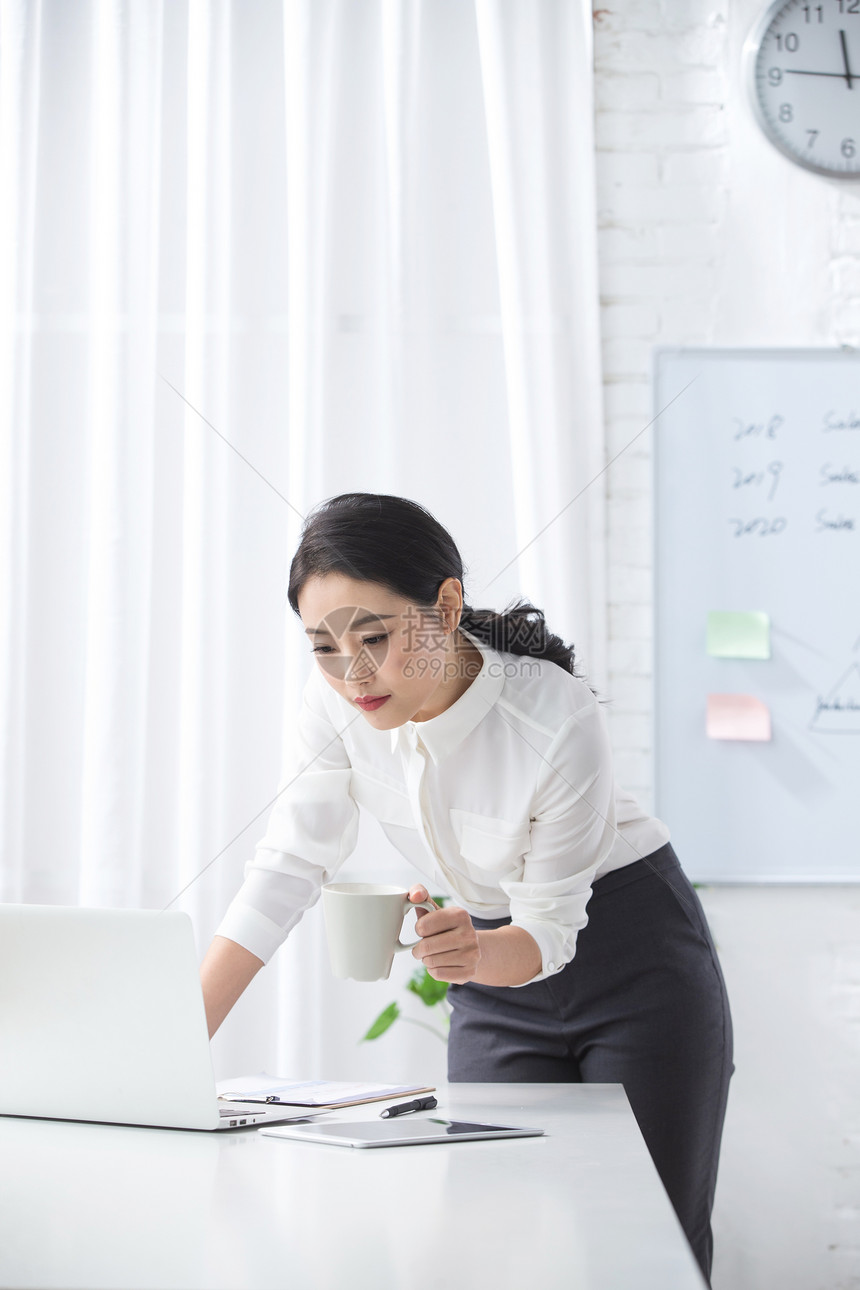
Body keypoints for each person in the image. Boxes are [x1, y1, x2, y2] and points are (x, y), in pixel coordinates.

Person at [200, 491, 732, 1284]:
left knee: (648, 1249)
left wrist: (478, 950)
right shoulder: (332, 705)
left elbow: (549, 932)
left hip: (632, 953)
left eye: (374, 637)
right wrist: (177, 1043)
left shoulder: (555, 715)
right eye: (323, 647)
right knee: (497, 1245)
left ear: (445, 605)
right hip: (487, 969)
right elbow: (289, 863)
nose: (353, 675)